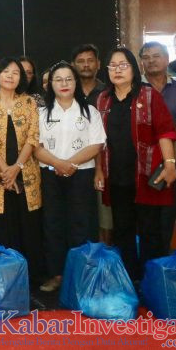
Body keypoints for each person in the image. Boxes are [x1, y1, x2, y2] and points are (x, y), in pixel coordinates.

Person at [96, 47, 176, 282]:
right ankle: (130, 280)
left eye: (123, 65)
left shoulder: (148, 95)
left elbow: (165, 131)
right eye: (113, 66)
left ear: (134, 68)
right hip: (116, 177)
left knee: (151, 231)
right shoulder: (103, 99)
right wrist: (99, 170)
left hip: (146, 175)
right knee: (122, 231)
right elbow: (98, 140)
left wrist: (170, 164)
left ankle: (152, 282)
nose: (118, 70)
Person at [34, 62, 106, 292]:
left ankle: (81, 275)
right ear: (50, 84)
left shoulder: (90, 111)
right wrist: (58, 164)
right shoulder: (41, 113)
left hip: (81, 175)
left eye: (69, 79)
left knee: (81, 224)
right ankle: (56, 275)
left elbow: (97, 144)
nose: (64, 84)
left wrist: (71, 164)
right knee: (53, 223)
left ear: (76, 82)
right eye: (58, 79)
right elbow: (36, 146)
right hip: (50, 175)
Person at [0, 57, 43, 284]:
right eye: (6, 71)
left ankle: (29, 281)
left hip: (26, 174)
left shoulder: (29, 103)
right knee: (2, 228)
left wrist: (17, 168)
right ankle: (3, 280)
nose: (10, 76)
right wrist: (6, 171)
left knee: (28, 227)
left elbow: (33, 137)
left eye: (16, 73)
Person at [140, 41, 176, 242]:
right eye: (146, 57)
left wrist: (173, 158)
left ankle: (166, 253)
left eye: (156, 56)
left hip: (170, 159)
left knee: (169, 213)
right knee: (145, 217)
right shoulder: (135, 87)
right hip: (141, 160)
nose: (151, 61)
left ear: (167, 59)